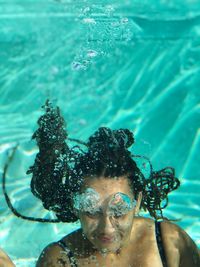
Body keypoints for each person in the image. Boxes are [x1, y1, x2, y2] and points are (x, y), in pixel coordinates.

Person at [5, 101, 199, 267]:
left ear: (137, 203)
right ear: (76, 205)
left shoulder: (167, 242)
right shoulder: (60, 259)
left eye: (120, 211)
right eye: (91, 210)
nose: (107, 228)